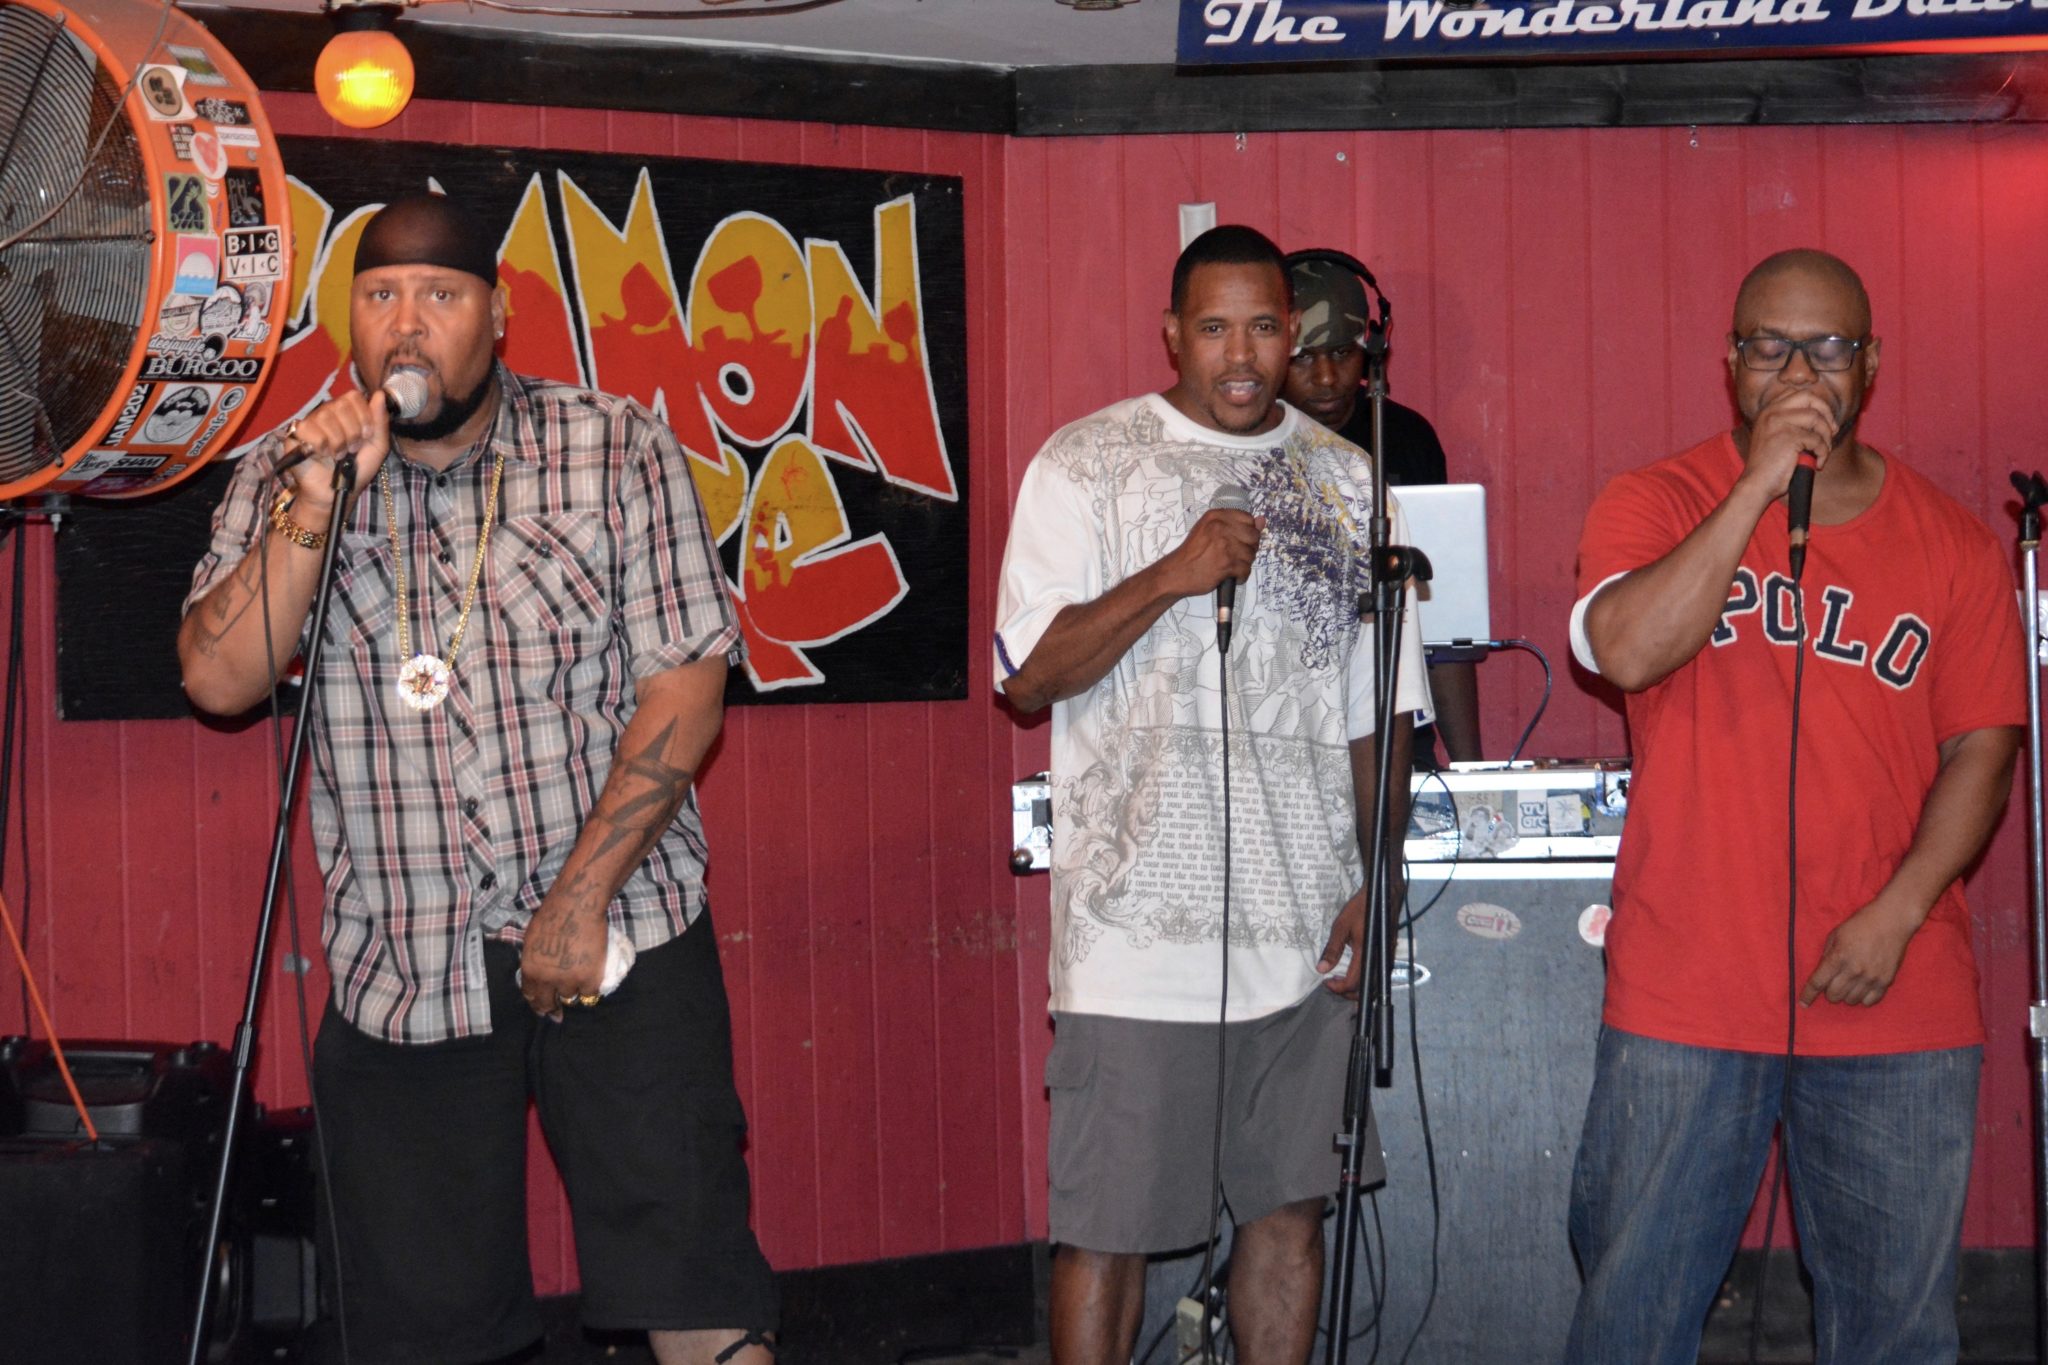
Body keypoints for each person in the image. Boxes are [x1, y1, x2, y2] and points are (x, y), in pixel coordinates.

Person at [177, 195, 778, 1365]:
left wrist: (579, 899)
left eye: (439, 296)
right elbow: (218, 679)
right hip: (405, 958)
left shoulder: (612, 446)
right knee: (426, 1329)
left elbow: (685, 691)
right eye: (380, 297)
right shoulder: (292, 472)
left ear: (496, 318)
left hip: (620, 932)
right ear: (350, 323)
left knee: (694, 1283)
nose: (407, 325)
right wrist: (311, 505)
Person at [1564, 248, 2024, 1363]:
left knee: (1894, 1335)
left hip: (1887, 988)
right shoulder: (1652, 501)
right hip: (1685, 991)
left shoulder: (1956, 543)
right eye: (1771, 347)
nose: (1800, 372)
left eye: (1827, 348)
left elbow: (1983, 748)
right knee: (1631, 1320)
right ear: (1730, 363)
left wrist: (1896, 913)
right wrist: (1754, 489)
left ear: (1871, 364)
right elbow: (1625, 651)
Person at [994, 224, 1433, 1365]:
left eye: (1264, 327)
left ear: (1294, 334)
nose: (1241, 355)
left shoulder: (1347, 483)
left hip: (1300, 935)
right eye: (1214, 328)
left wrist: (1375, 879)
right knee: (1106, 1232)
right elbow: (1028, 677)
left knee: (1288, 1219)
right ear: (1171, 334)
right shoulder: (1084, 463)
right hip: (1134, 941)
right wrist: (1173, 574)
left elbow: (1378, 714)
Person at [1283, 253, 1483, 766]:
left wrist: (1469, 771)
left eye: (1341, 353)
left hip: (1394, 722)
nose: (1327, 377)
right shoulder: (1248, 444)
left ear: (1372, 349)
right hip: (1285, 729)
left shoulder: (1406, 438)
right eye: (1303, 358)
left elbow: (1443, 619)